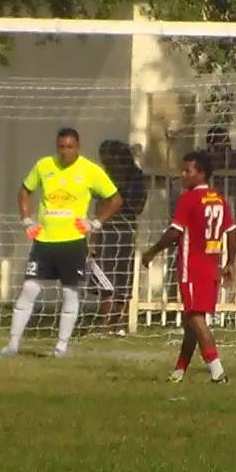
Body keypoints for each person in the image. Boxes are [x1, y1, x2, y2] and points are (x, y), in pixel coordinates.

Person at [0, 127, 122, 358]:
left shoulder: (90, 170)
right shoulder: (44, 166)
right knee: (29, 288)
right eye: (61, 147)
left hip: (73, 242)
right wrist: (27, 220)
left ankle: (61, 346)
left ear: (78, 147)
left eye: (70, 147)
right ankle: (13, 344)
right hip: (44, 240)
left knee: (69, 293)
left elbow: (115, 198)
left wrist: (95, 222)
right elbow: (24, 191)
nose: (65, 152)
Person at [141, 151, 235, 384]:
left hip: (191, 268)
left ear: (201, 173)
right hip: (212, 265)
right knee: (192, 320)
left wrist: (151, 252)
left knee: (194, 317)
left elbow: (175, 233)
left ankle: (217, 370)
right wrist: (230, 262)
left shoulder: (188, 199)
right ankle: (180, 370)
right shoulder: (219, 198)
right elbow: (231, 231)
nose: (183, 175)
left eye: (188, 171)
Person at [93, 140, 147, 331]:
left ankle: (120, 319)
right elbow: (98, 201)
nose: (107, 164)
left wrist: (117, 207)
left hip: (124, 228)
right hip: (104, 227)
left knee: (122, 273)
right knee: (102, 274)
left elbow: (137, 206)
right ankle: (105, 319)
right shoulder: (104, 175)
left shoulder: (135, 178)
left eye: (109, 160)